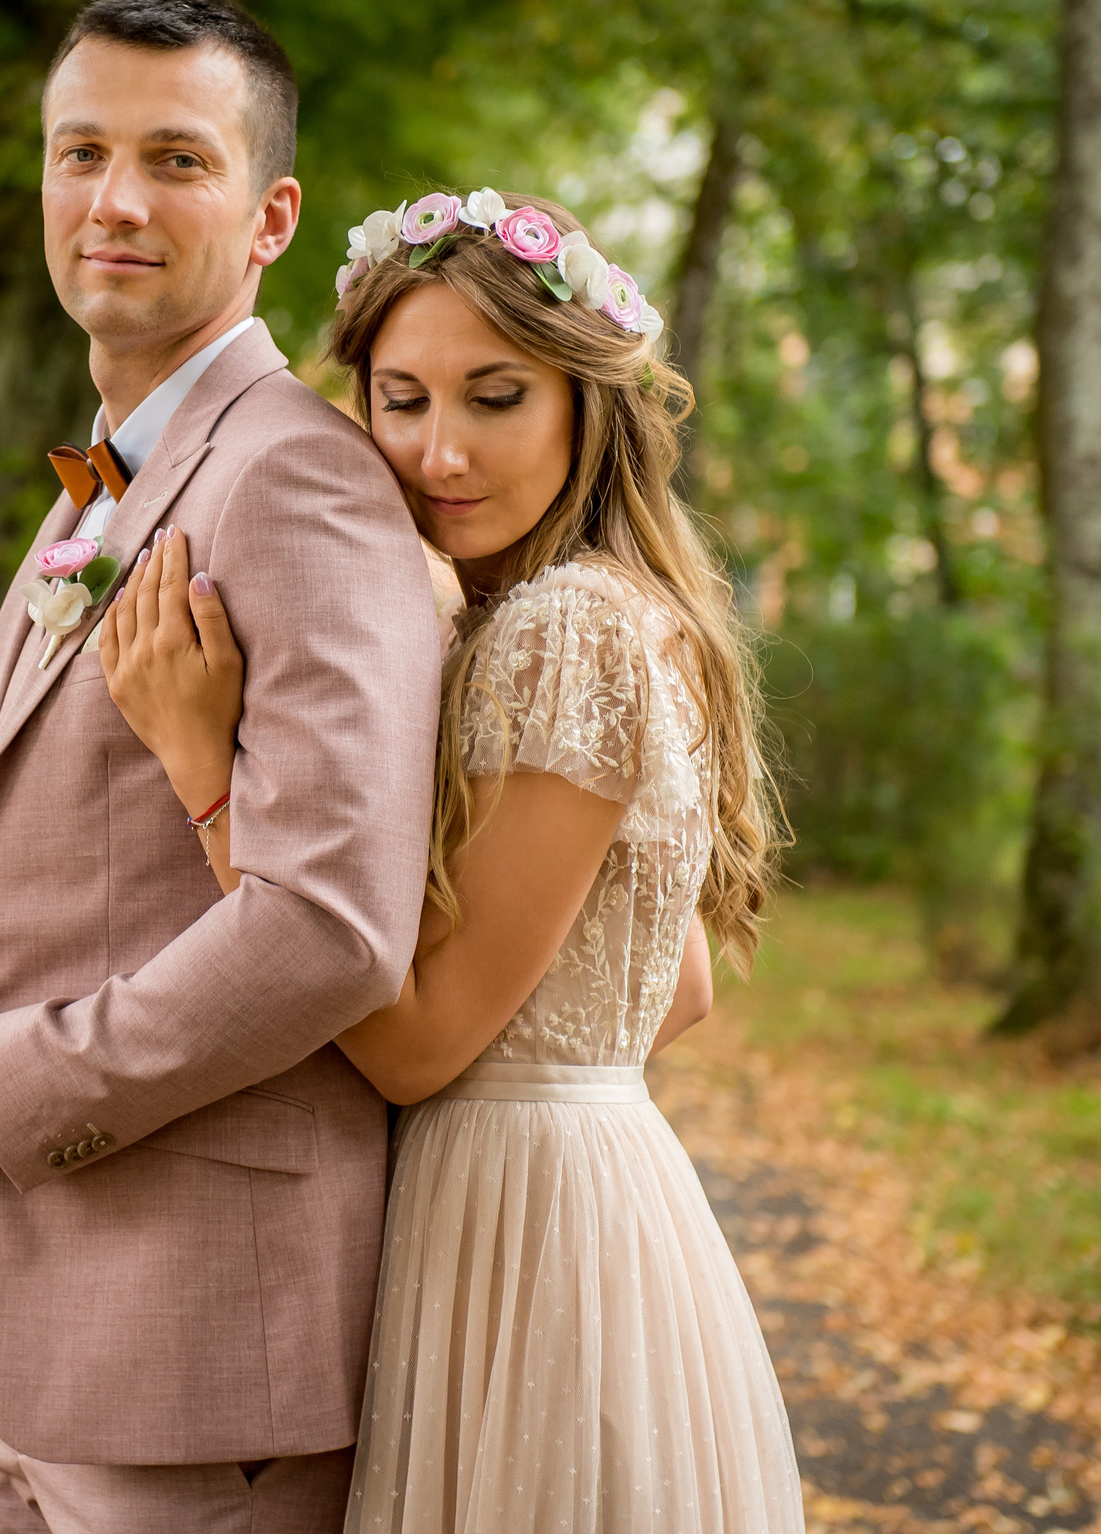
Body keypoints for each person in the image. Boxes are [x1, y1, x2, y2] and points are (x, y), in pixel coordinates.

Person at [102, 186, 807, 1531]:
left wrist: (207, 772)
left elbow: (417, 1048)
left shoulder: (566, 633)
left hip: (526, 1227)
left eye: (496, 398)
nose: (440, 452)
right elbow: (683, 984)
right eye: (402, 399)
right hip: (590, 1197)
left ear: (584, 405)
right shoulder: (570, 614)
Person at [0, 0, 442, 1532]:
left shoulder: (295, 478)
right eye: (81, 153)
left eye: (176, 160)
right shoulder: (110, 474)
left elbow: (333, 923)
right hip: (21, 1316)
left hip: (195, 1342)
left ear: (270, 218)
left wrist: (3, 1075)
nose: (113, 201)